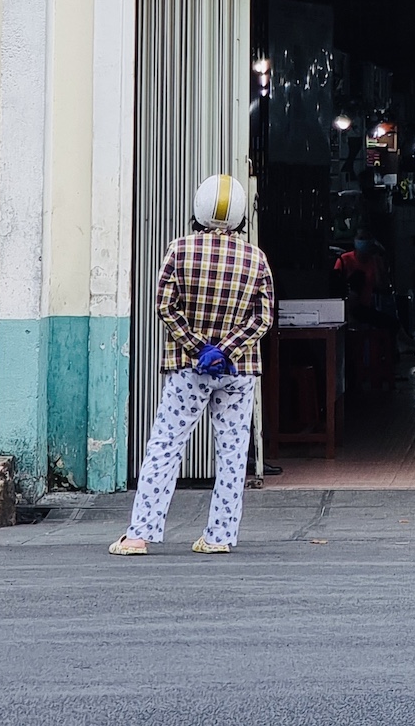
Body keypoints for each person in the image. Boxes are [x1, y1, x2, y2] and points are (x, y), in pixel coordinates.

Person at [110, 174, 272, 557]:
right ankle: (219, 536)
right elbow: (262, 318)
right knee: (232, 453)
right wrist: (225, 351)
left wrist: (201, 349)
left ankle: (138, 536)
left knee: (166, 446)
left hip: (188, 368)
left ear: (198, 209)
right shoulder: (256, 258)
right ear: (240, 216)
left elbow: (165, 306)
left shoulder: (179, 250)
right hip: (238, 371)